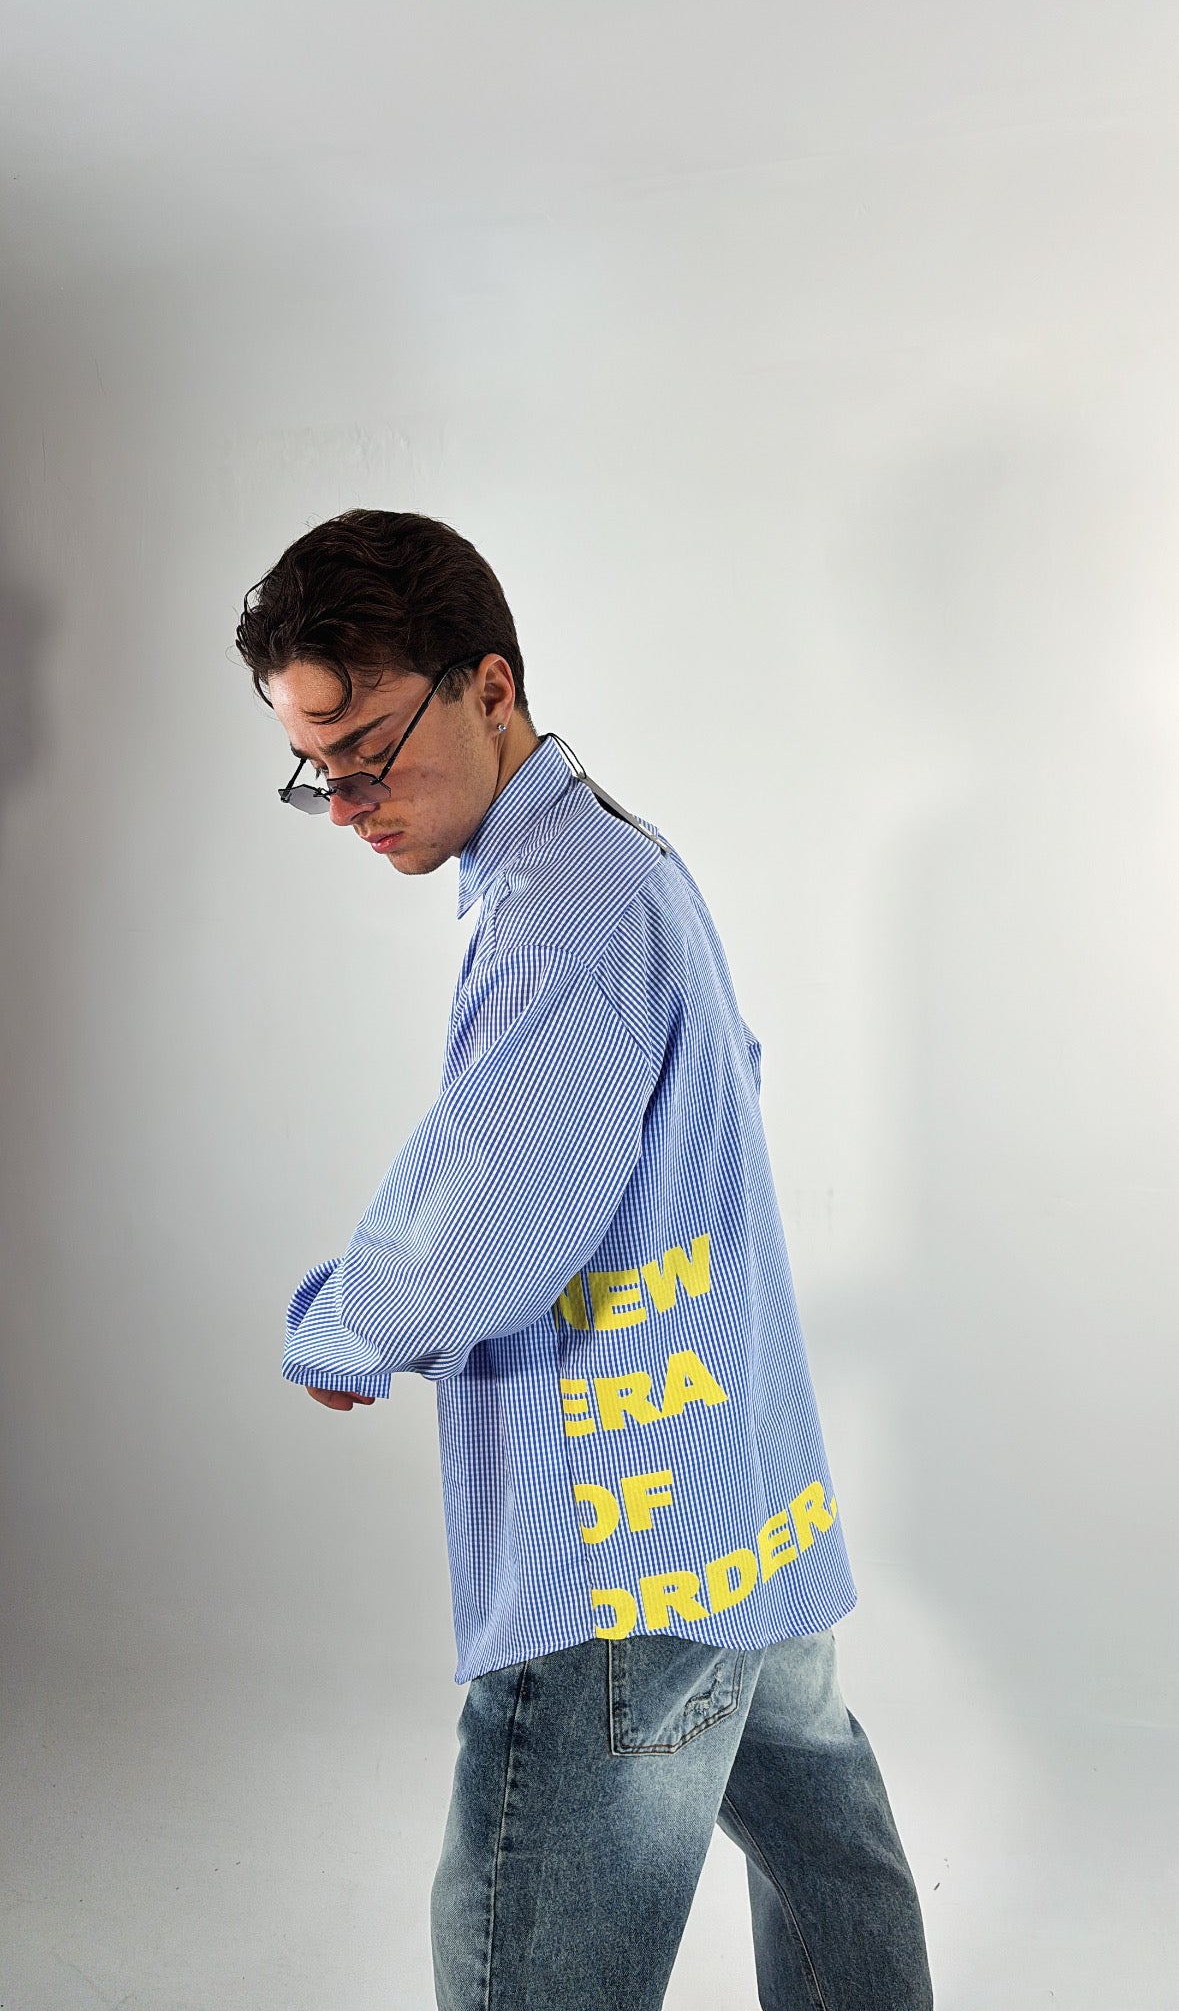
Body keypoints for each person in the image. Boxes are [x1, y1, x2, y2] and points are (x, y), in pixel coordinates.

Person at [235, 509, 935, 2011]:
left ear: (490, 685)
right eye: (313, 770)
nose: (346, 802)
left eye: (365, 750)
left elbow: (493, 1208)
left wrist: (343, 1326)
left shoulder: (559, 913)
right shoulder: (625, 861)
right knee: (832, 1866)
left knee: (533, 1967)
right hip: (740, 1488)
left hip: (617, 1542)